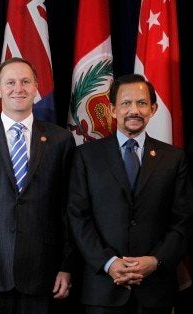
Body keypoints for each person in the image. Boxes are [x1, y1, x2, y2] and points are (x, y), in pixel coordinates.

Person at [0, 57, 75, 314]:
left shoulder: (60, 139)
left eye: (25, 81)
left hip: (43, 270)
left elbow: (68, 208)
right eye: (10, 82)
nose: (18, 88)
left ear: (36, 87)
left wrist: (66, 265)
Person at [67, 73, 193, 313]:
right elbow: (78, 216)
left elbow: (183, 220)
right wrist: (108, 262)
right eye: (126, 103)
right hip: (103, 288)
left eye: (141, 103)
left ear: (153, 109)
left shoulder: (174, 158)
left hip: (155, 289)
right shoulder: (86, 156)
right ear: (113, 109)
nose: (134, 110)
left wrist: (156, 261)